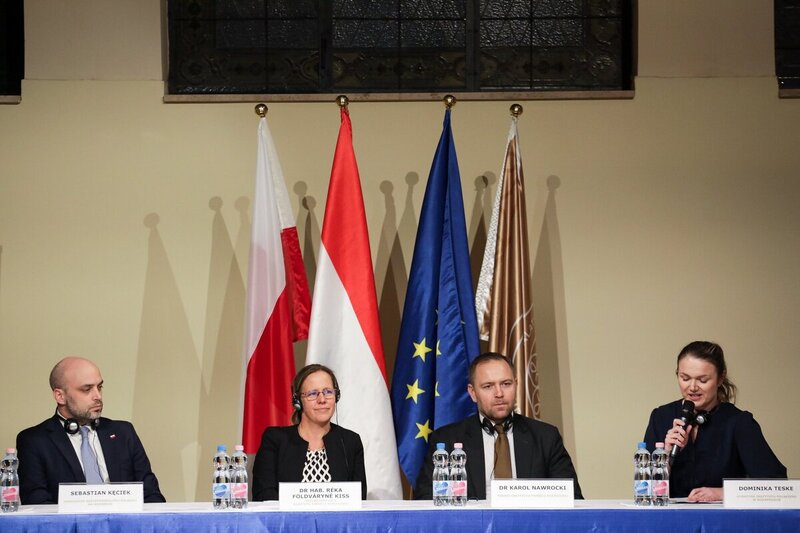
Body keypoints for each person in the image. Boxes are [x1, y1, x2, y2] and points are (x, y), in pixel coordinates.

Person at [415, 352, 583, 500]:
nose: (499, 393)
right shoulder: (447, 440)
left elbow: (573, 499)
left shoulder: (546, 437)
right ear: (473, 393)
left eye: (506, 384)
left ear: (516, 384)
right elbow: (426, 500)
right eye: (488, 386)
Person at [643, 341, 786, 501]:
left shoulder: (739, 422)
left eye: (703, 380)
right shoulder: (661, 416)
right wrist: (666, 456)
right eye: (685, 378)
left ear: (720, 379)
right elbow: (644, 489)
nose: (692, 387)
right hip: (672, 518)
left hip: (723, 521)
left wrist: (722, 493)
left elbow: (776, 484)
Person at [16, 356, 165, 504]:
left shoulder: (123, 432)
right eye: (87, 389)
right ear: (60, 396)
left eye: (99, 387)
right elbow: (37, 505)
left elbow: (151, 495)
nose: (98, 396)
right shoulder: (34, 441)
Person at [252, 364, 367, 500]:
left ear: (337, 396)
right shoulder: (275, 440)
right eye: (313, 394)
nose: (322, 399)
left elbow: (358, 498)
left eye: (328, 392)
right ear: (298, 401)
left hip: (338, 522)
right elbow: (264, 496)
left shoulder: (350, 441)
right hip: (285, 521)